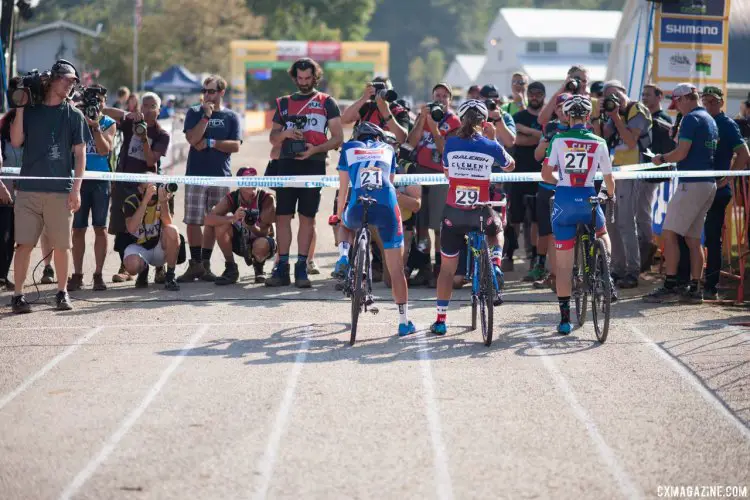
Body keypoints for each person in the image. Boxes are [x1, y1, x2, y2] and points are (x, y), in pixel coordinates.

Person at [10, 60, 90, 314]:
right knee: (24, 244)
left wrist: (76, 189)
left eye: (73, 82)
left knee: (62, 246)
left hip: (60, 191)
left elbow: (80, 154)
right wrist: (21, 109)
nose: (70, 85)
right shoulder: (31, 111)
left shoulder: (74, 115)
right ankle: (18, 296)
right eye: (66, 79)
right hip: (28, 190)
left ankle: (61, 292)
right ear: (53, 79)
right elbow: (15, 141)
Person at [430, 100, 515, 336]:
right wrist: (494, 140)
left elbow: (447, 172)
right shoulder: (490, 145)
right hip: (480, 213)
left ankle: (440, 319)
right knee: (497, 227)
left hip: (453, 214)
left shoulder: (451, 143)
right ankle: (496, 261)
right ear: (484, 122)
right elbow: (510, 166)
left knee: (447, 269)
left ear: (460, 120)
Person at [332, 122, 415, 336]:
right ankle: (404, 321)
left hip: (358, 204)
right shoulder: (388, 149)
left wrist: (339, 214)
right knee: (396, 269)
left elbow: (343, 190)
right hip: (386, 206)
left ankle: (342, 256)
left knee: (345, 224)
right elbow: (390, 181)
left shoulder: (349, 148)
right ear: (379, 138)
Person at [541, 95, 615, 334]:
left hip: (564, 200)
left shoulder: (558, 139)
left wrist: (560, 183)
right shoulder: (599, 141)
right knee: (602, 232)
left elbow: (545, 174)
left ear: (568, 116)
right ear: (587, 117)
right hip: (588, 199)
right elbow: (608, 179)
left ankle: (564, 319)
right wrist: (610, 195)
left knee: (563, 268)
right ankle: (606, 273)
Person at [268, 57, 343, 288]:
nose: (303, 82)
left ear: (315, 76)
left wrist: (315, 149)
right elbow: (273, 138)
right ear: (294, 77)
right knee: (282, 217)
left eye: (308, 78)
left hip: (314, 163)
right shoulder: (283, 103)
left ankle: (302, 266)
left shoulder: (326, 102)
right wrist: (286, 135)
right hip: (287, 164)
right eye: (299, 78)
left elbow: (338, 138)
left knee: (307, 218)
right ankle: (282, 266)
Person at [647, 83, 718, 303]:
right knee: (693, 239)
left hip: (692, 184)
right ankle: (695, 288)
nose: (677, 108)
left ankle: (671, 284)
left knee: (669, 234)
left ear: (685, 98)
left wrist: (661, 158)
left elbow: (682, 152)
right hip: (707, 183)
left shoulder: (691, 119)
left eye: (677, 103)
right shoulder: (709, 119)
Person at [677, 86, 749, 300]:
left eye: (713, 102)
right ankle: (686, 282)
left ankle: (711, 285)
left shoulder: (727, 124)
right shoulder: (694, 120)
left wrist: (729, 176)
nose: (709, 105)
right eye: (705, 101)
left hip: (716, 189)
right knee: (683, 233)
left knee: (712, 237)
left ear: (721, 103)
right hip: (695, 185)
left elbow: (744, 153)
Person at [178, 75, 242, 284]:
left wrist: (213, 142)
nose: (207, 95)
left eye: (212, 91)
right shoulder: (195, 112)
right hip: (196, 173)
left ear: (222, 92)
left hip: (220, 175)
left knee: (213, 220)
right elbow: (192, 139)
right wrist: (205, 117)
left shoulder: (231, 117)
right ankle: (194, 262)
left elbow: (235, 146)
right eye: (205, 91)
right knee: (193, 220)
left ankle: (205, 264)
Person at [103, 92, 171, 287]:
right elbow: (104, 111)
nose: (148, 110)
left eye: (152, 106)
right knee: (121, 226)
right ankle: (125, 267)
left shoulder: (161, 134)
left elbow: (151, 161)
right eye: (145, 105)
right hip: (123, 183)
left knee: (153, 223)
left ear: (159, 110)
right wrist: (128, 114)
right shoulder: (131, 123)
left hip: (147, 186)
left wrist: (143, 138)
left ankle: (160, 267)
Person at [405, 82, 461, 288]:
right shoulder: (423, 117)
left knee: (438, 226)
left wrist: (435, 127)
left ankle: (439, 270)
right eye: (437, 95)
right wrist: (422, 120)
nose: (440, 99)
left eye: (444, 96)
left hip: (440, 175)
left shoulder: (454, 121)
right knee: (421, 224)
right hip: (421, 172)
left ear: (450, 100)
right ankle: (424, 267)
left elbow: (446, 149)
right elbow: (410, 143)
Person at [601, 80, 652, 289]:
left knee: (626, 223)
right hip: (616, 172)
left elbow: (631, 141)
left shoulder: (636, 109)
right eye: (609, 97)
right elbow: (603, 136)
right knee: (612, 223)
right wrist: (604, 115)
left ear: (624, 92)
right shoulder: (617, 114)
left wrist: (615, 117)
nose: (615, 101)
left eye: (617, 95)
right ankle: (617, 268)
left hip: (632, 171)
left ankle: (633, 270)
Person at [68, 85, 117, 292]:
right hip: (80, 178)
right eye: (92, 99)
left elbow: (105, 150)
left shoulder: (108, 122)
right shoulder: (76, 119)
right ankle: (77, 274)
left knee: (100, 227)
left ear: (104, 102)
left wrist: (95, 126)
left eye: (100, 100)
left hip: (100, 180)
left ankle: (98, 274)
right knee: (78, 228)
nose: (96, 104)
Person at [204, 167, 276, 285]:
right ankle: (231, 268)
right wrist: (233, 218)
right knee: (221, 225)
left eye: (253, 179)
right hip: (241, 241)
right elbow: (208, 219)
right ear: (239, 183)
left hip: (262, 240)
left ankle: (259, 267)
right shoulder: (233, 197)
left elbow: (264, 233)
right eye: (246, 180)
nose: (250, 183)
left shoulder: (266, 198)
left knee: (261, 243)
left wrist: (250, 226)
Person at [511, 81, 546, 282]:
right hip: (519, 171)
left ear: (543, 95)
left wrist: (528, 131)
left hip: (541, 174)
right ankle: (509, 253)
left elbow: (546, 137)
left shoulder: (547, 117)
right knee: (514, 217)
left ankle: (535, 258)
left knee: (536, 218)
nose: (534, 97)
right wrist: (539, 138)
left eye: (538, 94)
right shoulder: (518, 116)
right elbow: (515, 140)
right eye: (531, 93)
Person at [122, 178, 180, 291]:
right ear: (139, 189)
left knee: (172, 230)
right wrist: (145, 201)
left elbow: (168, 224)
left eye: (154, 187)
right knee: (132, 266)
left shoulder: (165, 196)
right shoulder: (131, 201)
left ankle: (170, 277)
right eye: (148, 189)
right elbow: (131, 228)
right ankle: (143, 271)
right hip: (139, 248)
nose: (153, 192)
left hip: (159, 247)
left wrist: (163, 202)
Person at [340, 77, 409, 143]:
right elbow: (344, 120)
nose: (384, 93)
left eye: (387, 90)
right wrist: (364, 97)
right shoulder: (368, 107)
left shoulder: (399, 111)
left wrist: (386, 112)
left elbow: (402, 139)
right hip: (364, 149)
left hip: (387, 152)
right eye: (380, 91)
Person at [0, 110, 20, 291]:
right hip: (3, 197)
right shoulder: (1, 142)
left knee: (12, 239)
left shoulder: (27, 143)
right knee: (3, 237)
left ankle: (3, 276)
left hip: (20, 199)